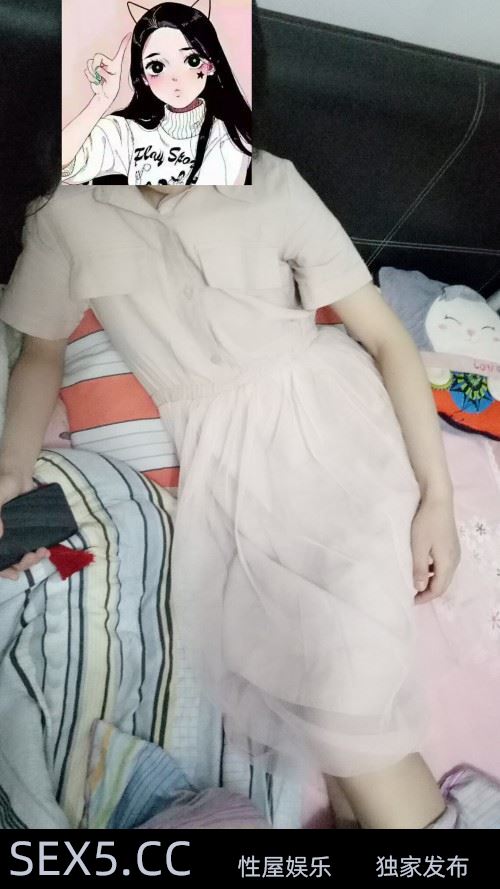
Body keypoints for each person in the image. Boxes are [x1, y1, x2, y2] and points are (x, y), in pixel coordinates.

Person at [3, 0, 498, 831]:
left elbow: (385, 338)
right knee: (319, 697)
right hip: (221, 469)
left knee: (346, 691)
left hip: (330, 425)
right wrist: (12, 469)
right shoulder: (66, 217)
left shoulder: (271, 185)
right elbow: (40, 354)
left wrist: (438, 498)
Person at [61, 1, 251, 186]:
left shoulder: (229, 135)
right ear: (143, 76)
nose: (175, 77)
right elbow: (59, 166)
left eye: (192, 60)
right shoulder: (127, 132)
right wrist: (101, 100)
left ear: (211, 65)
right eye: (157, 66)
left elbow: (207, 201)